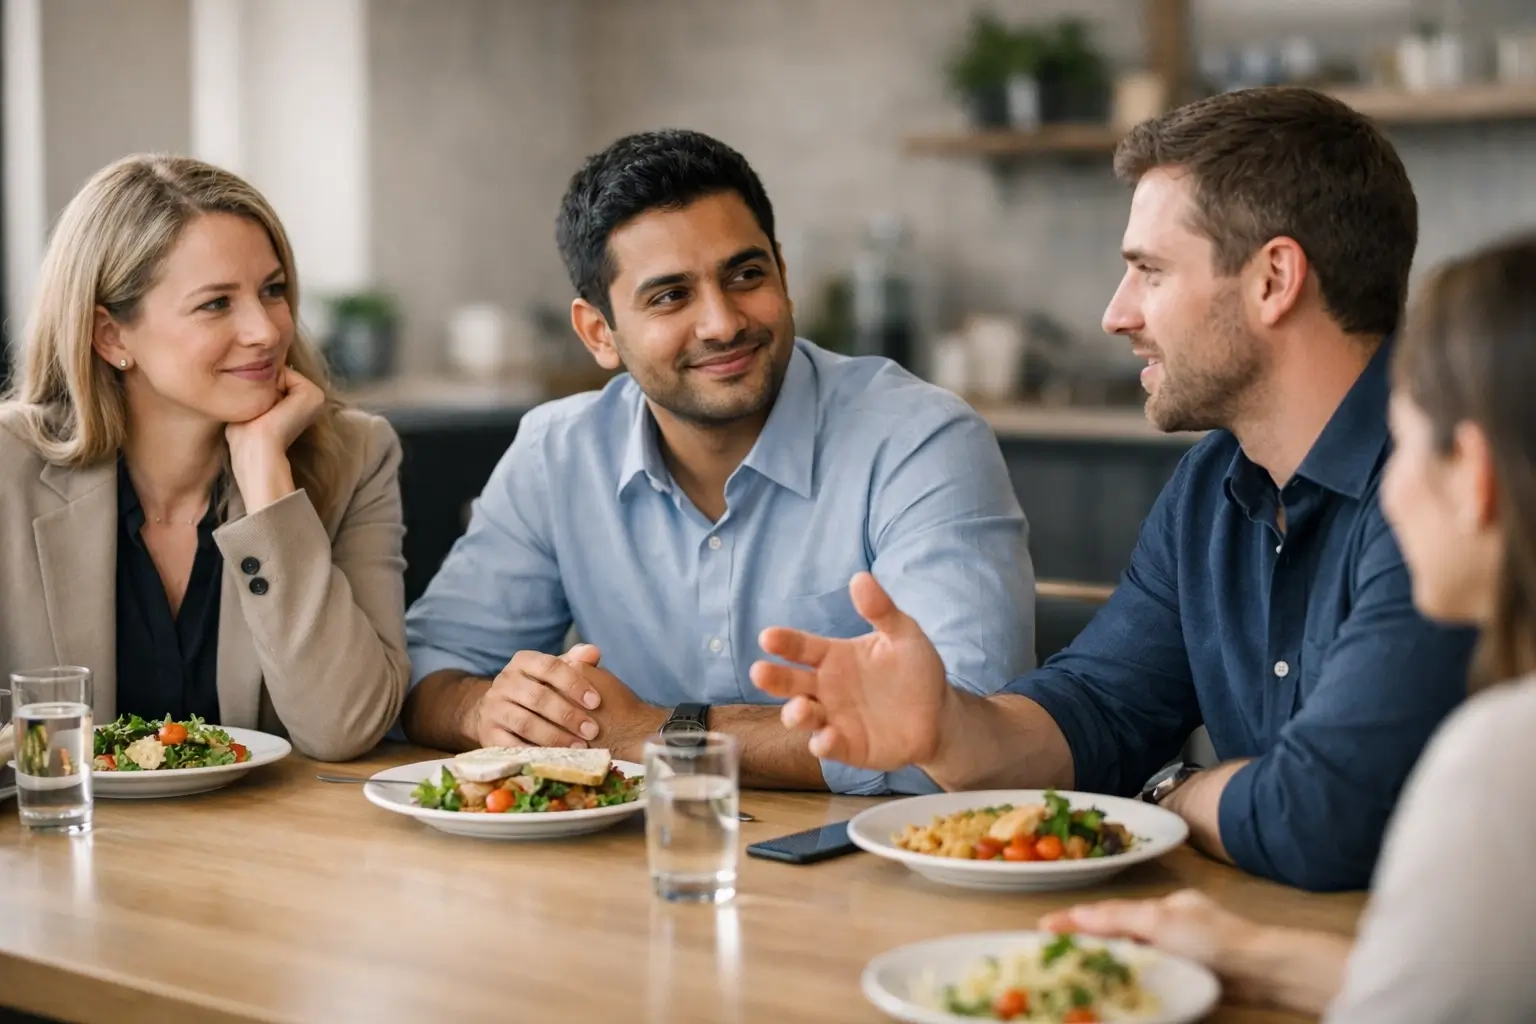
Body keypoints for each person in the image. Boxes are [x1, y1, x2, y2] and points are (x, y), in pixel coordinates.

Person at [752, 86, 1478, 888]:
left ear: (1274, 279)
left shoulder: (1451, 485)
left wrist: (1180, 790)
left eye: (1149, 272)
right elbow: (1098, 707)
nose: (1115, 314)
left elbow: (1322, 815)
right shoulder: (1212, 484)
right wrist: (948, 730)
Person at [400, 129, 1033, 793]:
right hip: (618, 869)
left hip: (869, 878)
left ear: (782, 275)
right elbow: (424, 670)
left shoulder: (921, 441)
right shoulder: (556, 453)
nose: (723, 323)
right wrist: (489, 711)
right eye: (671, 295)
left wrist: (658, 733)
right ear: (598, 333)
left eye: (745, 275)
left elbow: (966, 734)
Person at [1040, 235, 1536, 1023]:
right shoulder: (1209, 481)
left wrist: (1178, 790)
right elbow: (1457, 985)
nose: (1388, 490)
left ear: (1473, 477)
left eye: (1404, 442)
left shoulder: (1503, 757)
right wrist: (1249, 953)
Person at [0, 154, 409, 761]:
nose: (267, 331)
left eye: (272, 291)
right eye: (216, 303)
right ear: (111, 336)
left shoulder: (356, 456)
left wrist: (270, 485)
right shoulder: (9, 467)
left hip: (261, 853)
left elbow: (345, 728)